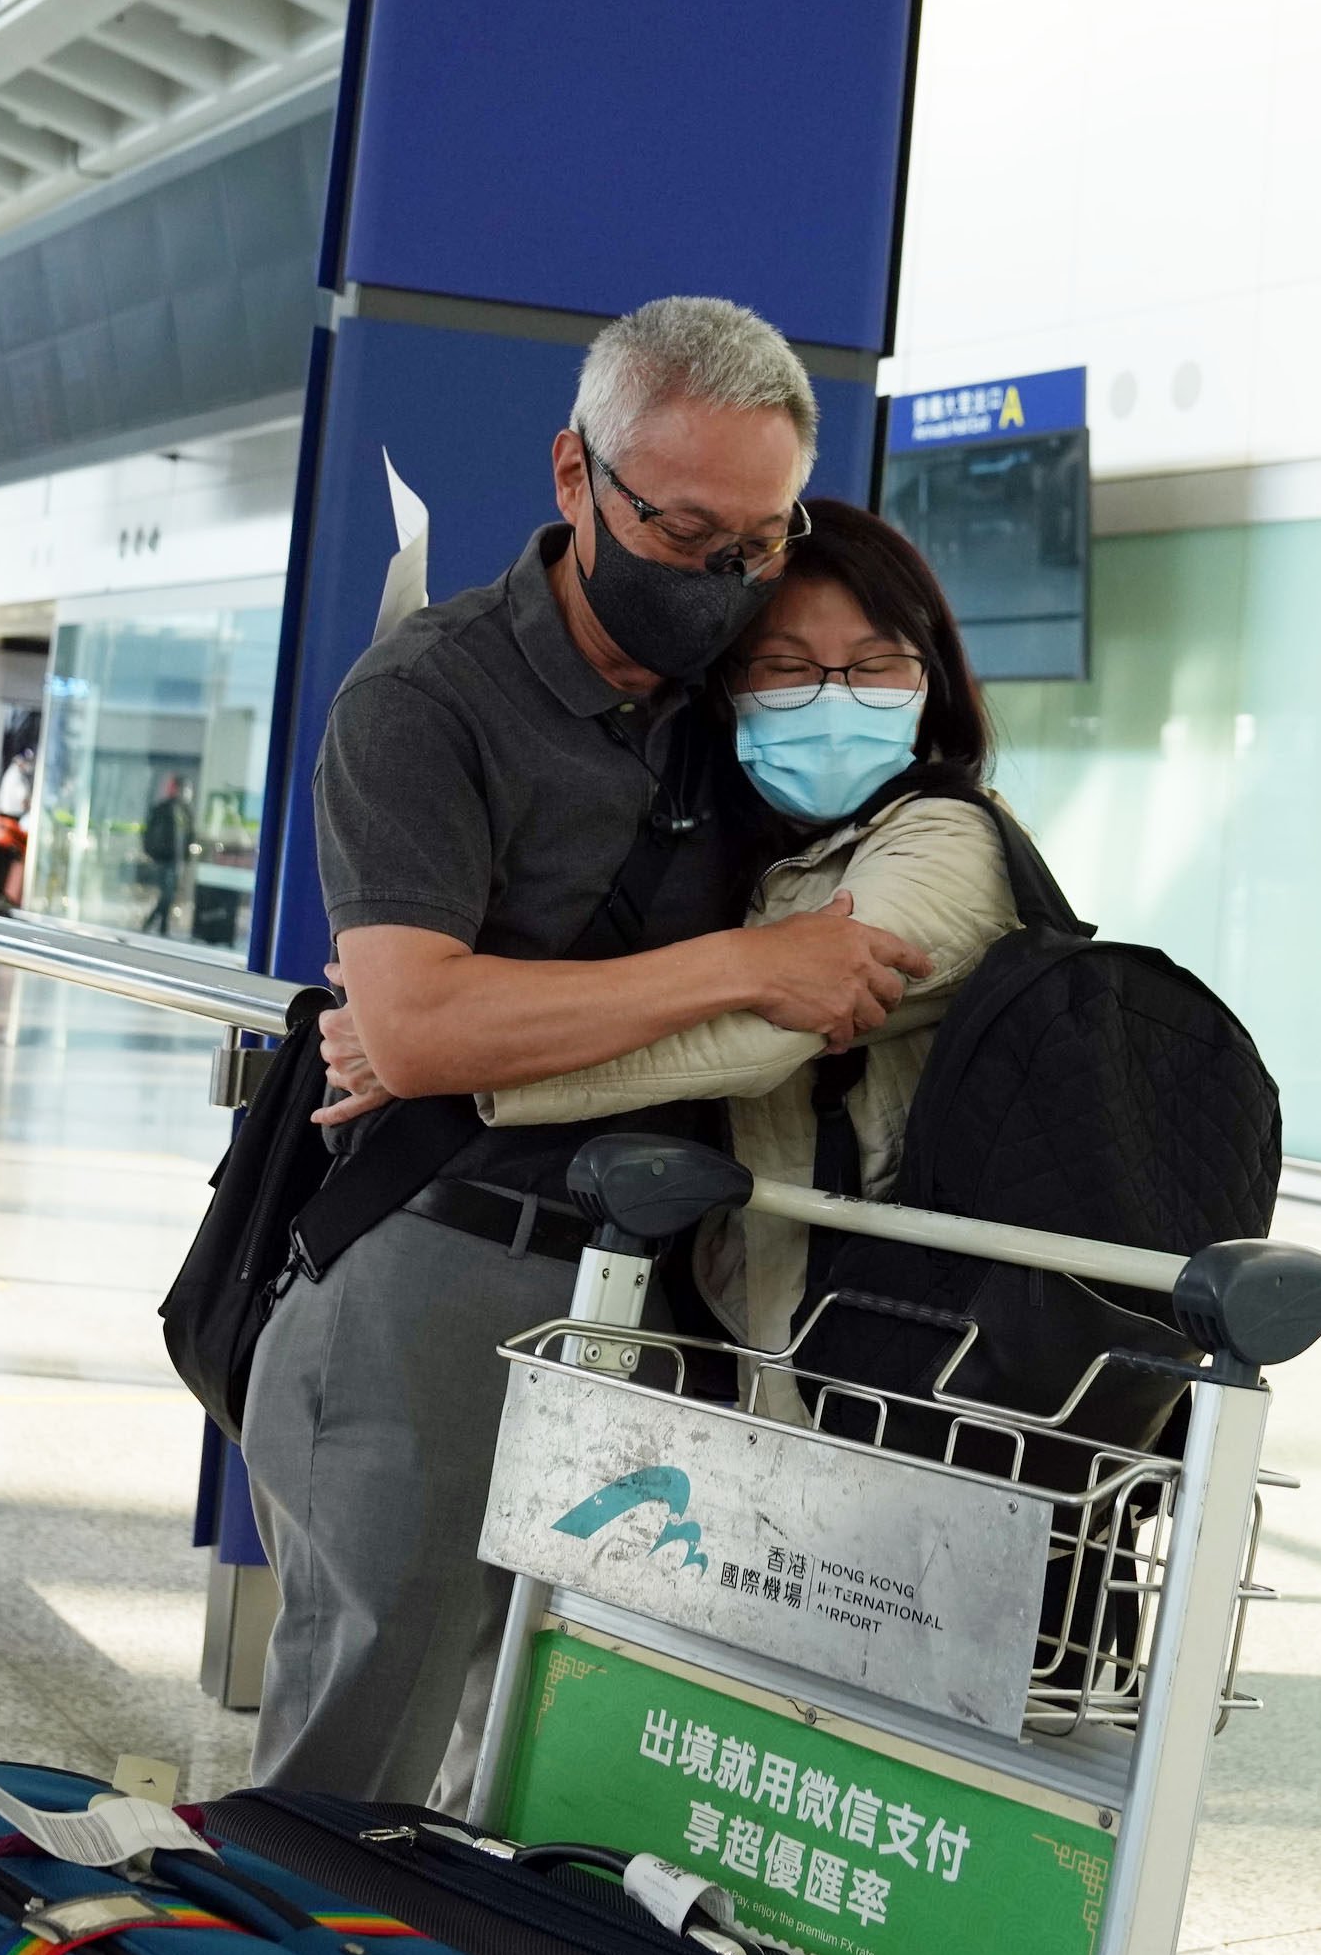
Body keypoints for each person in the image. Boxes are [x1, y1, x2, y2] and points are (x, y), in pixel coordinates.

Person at [239, 297, 933, 1810]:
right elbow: (419, 1028)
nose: (725, 581)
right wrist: (743, 968)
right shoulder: (427, 699)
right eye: (686, 535)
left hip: (667, 1294)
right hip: (437, 1271)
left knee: (567, 1773)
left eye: (759, 540)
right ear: (575, 476)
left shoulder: (741, 700)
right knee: (354, 1772)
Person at [384, 498, 1022, 1407]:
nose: (835, 699)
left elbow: (752, 1037)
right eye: (787, 668)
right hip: (755, 1326)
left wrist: (455, 1049)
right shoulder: (767, 843)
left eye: (878, 666)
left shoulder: (951, 846)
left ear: (934, 683)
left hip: (900, 1351)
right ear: (728, 691)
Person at [140, 772, 192, 935]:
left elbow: (188, 836)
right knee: (167, 893)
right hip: (164, 858)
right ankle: (154, 924)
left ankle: (161, 926)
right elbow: (149, 833)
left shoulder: (185, 812)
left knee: (169, 893)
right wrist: (151, 852)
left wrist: (186, 857)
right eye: (185, 789)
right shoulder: (163, 809)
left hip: (177, 860)